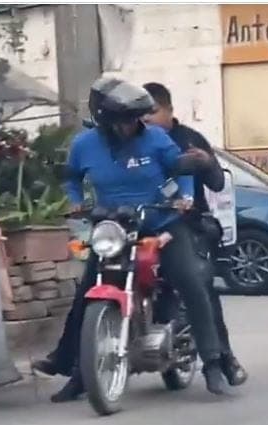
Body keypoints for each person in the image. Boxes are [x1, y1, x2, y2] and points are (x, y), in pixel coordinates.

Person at [32, 77, 228, 400]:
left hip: (161, 222)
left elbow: (182, 169)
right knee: (86, 294)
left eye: (133, 119)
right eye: (122, 121)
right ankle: (80, 374)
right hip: (114, 226)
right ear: (104, 120)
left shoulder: (156, 139)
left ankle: (213, 363)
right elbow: (71, 178)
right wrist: (74, 199)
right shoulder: (84, 145)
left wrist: (186, 197)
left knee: (190, 280)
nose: (129, 126)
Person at [142, 81, 248, 387]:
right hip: (143, 223)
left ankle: (220, 360)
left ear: (169, 110)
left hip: (189, 223)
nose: (146, 119)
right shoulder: (137, 141)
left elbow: (216, 184)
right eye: (141, 113)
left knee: (200, 285)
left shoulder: (189, 139)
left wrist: (205, 163)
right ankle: (82, 367)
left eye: (152, 112)